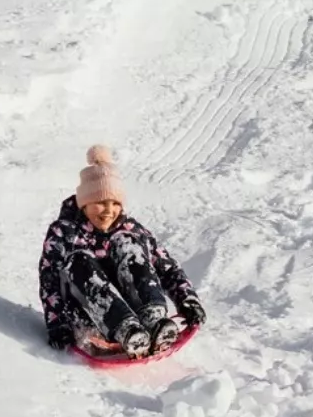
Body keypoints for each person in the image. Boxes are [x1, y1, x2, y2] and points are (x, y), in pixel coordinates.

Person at [39, 145, 206, 358]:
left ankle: (153, 319)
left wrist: (187, 299)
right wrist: (58, 325)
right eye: (100, 202)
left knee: (128, 244)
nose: (109, 211)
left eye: (115, 203)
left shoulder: (130, 229)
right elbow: (50, 279)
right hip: (86, 315)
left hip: (137, 316)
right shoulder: (64, 232)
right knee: (79, 259)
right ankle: (124, 328)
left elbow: (165, 266)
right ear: (84, 203)